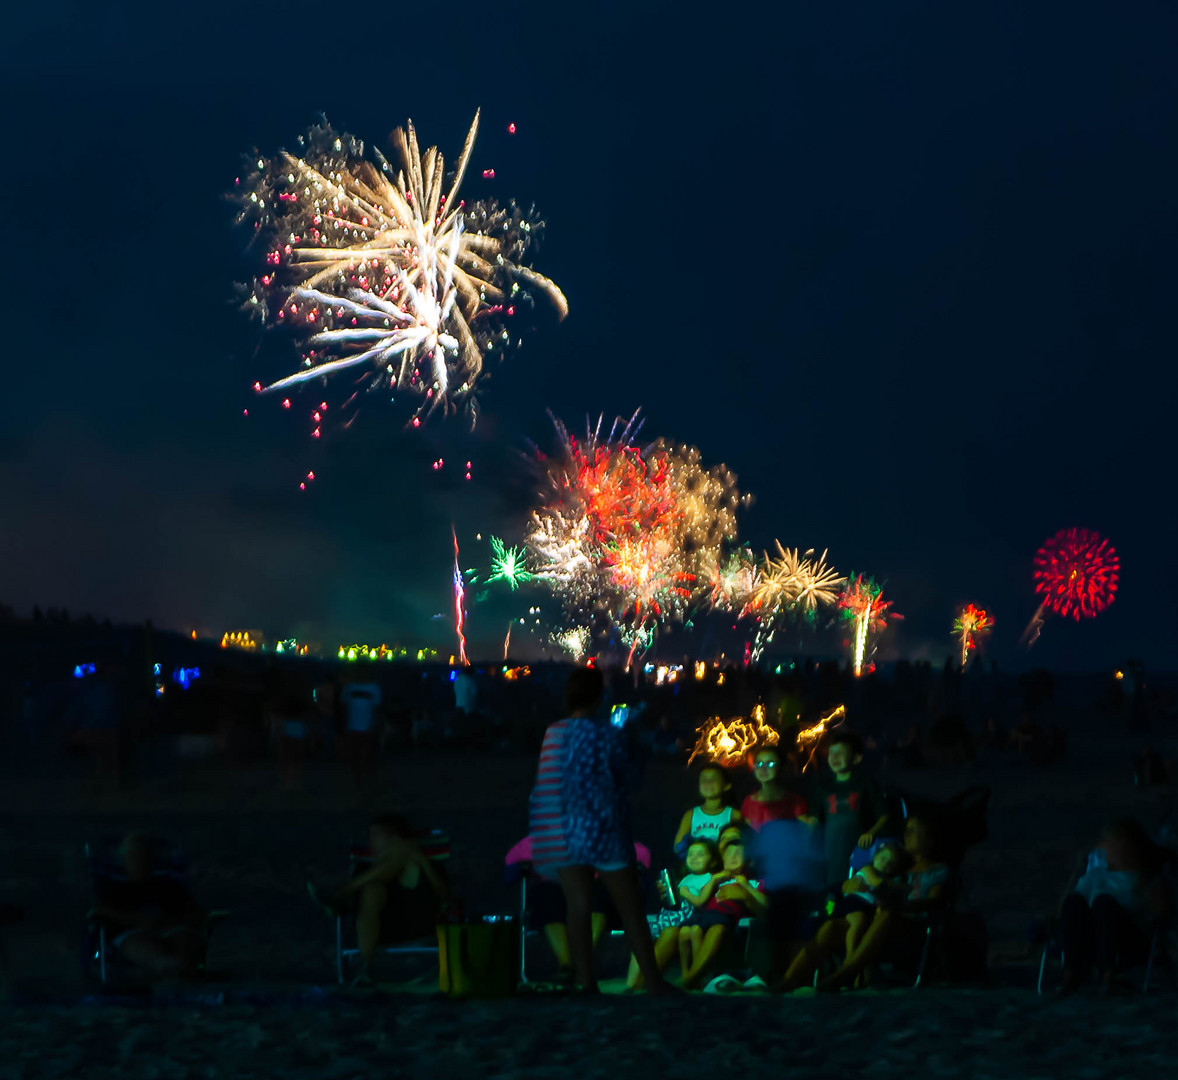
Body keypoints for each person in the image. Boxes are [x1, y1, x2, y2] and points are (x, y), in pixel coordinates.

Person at [529, 667, 674, 994]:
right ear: (599, 695)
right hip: (606, 829)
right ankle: (653, 981)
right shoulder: (611, 734)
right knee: (630, 907)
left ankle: (586, 982)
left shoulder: (553, 732)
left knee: (577, 907)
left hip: (567, 830)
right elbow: (630, 781)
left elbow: (549, 784)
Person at [776, 813, 948, 992]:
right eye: (906, 830)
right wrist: (847, 885)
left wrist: (901, 905)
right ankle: (789, 979)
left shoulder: (937, 871)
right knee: (833, 926)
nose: (906, 834)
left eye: (913, 831)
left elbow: (935, 902)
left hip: (909, 928)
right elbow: (867, 880)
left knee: (887, 915)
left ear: (929, 839)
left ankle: (844, 975)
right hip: (873, 921)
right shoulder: (897, 867)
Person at [308, 814, 449, 987]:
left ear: (394, 836)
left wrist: (420, 859)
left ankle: (339, 895)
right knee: (372, 890)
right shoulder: (365, 870)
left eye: (375, 835)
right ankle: (366, 969)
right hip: (380, 930)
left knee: (403, 856)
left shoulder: (420, 862)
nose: (370, 841)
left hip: (419, 924)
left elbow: (444, 896)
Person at [506, 835, 652, 984]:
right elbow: (511, 863)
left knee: (599, 890)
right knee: (545, 894)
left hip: (596, 895)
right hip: (557, 894)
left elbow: (641, 854)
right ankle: (567, 965)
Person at [1056, 818, 1173, 995]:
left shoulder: (1147, 879)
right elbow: (1068, 909)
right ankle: (1071, 975)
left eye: (1106, 841)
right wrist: (1075, 874)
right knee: (1074, 902)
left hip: (1130, 942)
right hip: (1092, 940)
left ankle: (1109, 975)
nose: (1100, 847)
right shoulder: (1095, 876)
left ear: (1122, 844)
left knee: (1104, 904)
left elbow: (1162, 918)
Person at [89, 834, 210, 980]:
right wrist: (135, 920)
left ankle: (178, 972)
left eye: (145, 855)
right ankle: (173, 971)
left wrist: (169, 921)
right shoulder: (112, 888)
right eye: (134, 855)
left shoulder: (168, 886)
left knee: (185, 938)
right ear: (125, 860)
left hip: (170, 929)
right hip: (131, 932)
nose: (141, 860)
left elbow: (194, 911)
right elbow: (98, 912)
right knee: (139, 945)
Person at [627, 839, 721, 989]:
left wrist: (686, 893)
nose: (694, 857)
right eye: (691, 854)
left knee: (659, 937)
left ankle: (642, 982)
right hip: (668, 917)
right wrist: (666, 894)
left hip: (685, 919)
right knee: (642, 937)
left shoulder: (709, 878)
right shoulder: (684, 878)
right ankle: (631, 983)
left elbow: (700, 902)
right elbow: (673, 903)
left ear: (713, 861)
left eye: (700, 854)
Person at [679, 833, 768, 988]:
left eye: (739, 853)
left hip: (727, 921)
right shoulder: (713, 878)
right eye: (728, 853)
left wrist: (745, 886)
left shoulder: (753, 881)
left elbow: (765, 904)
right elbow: (698, 897)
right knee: (687, 931)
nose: (732, 857)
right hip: (704, 915)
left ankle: (690, 979)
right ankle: (688, 975)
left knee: (717, 929)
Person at [807, 732, 889, 883]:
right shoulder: (823, 786)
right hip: (830, 850)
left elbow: (883, 815)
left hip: (859, 850)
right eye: (832, 753)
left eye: (841, 753)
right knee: (831, 889)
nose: (835, 757)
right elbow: (815, 818)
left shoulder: (866, 784)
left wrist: (871, 833)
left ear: (856, 758)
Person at [830, 840, 906, 958]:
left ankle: (859, 961)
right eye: (883, 858)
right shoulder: (868, 870)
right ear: (875, 857)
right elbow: (876, 883)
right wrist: (900, 887)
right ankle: (850, 954)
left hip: (868, 906)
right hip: (854, 901)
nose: (885, 864)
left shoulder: (888, 879)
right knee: (857, 923)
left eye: (891, 863)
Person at [672, 764, 744, 857]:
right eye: (704, 779)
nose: (708, 783)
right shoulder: (691, 814)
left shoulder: (733, 815)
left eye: (713, 779)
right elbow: (678, 847)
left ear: (726, 785)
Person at [740, 745, 813, 832]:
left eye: (770, 764)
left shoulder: (794, 802)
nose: (763, 769)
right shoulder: (749, 802)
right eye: (759, 764)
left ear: (780, 767)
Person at [340, 675, 383, 795]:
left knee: (365, 754)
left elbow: (376, 708)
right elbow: (344, 707)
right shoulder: (350, 687)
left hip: (365, 727)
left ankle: (364, 781)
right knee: (356, 755)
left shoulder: (371, 688)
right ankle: (359, 782)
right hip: (354, 727)